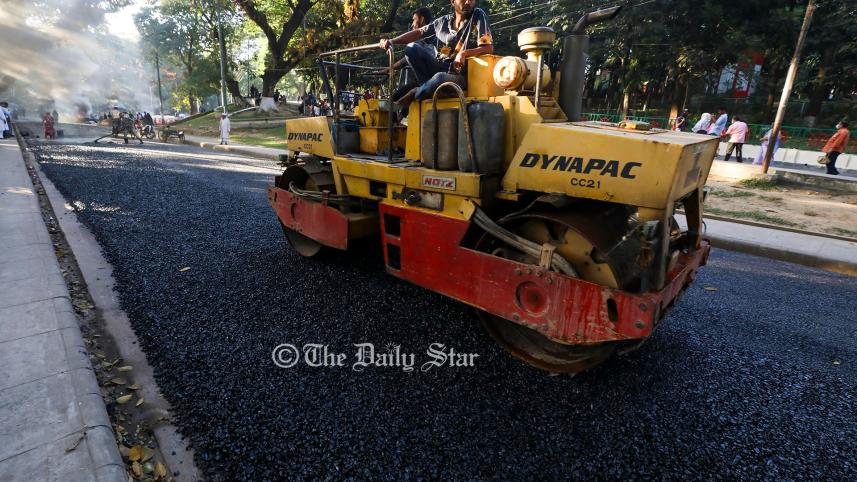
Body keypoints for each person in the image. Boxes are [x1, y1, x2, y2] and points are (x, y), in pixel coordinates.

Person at [379, 0, 493, 110]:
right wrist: (391, 41)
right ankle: (424, 88)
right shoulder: (442, 22)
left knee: (440, 78)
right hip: (437, 68)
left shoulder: (478, 15)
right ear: (452, 1)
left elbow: (488, 47)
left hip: (459, 75)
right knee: (412, 48)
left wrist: (464, 53)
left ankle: (417, 92)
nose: (468, 2)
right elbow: (419, 32)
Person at [375, 7, 436, 118]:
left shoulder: (430, 36)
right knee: (397, 95)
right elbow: (406, 59)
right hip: (423, 80)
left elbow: (406, 59)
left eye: (414, 20)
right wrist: (388, 70)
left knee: (400, 96)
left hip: (429, 81)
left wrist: (388, 70)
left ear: (421, 19)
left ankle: (395, 122)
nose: (412, 24)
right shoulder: (427, 37)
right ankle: (396, 120)